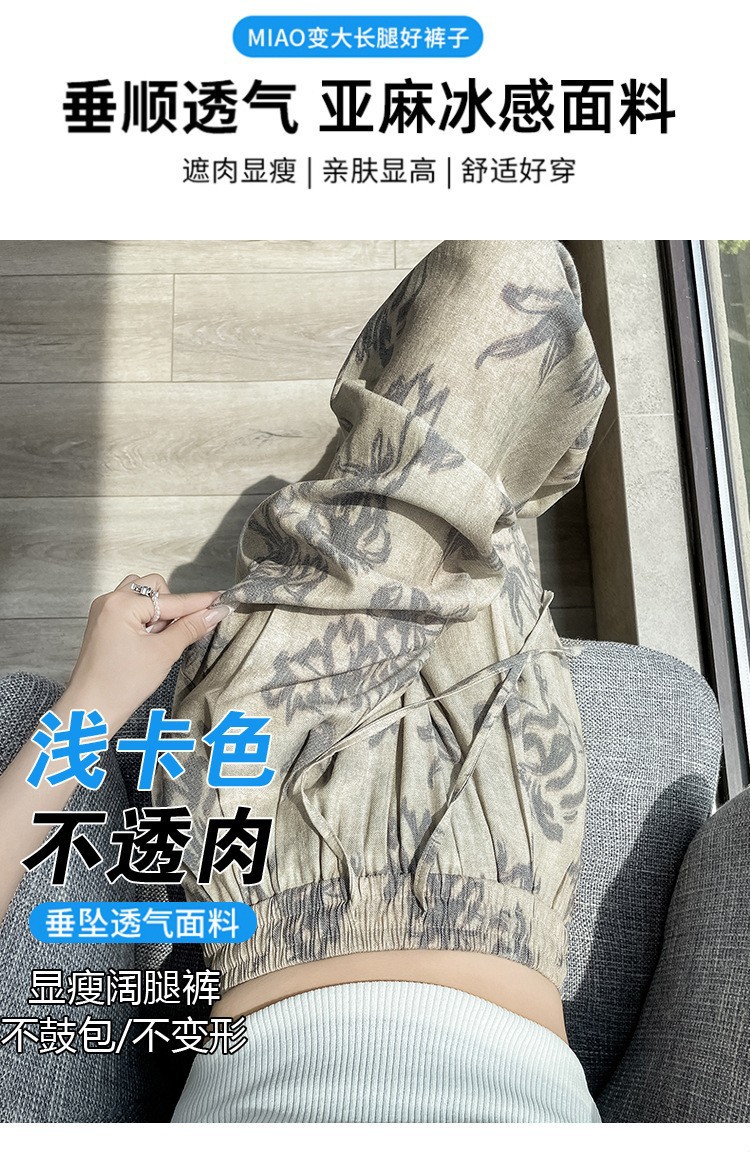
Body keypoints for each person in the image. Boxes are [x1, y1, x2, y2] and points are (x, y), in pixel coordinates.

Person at [0, 241, 608, 1123]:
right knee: (509, 297)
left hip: (261, 849)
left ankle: (380, 511)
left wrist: (92, 703)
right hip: (495, 860)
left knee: (495, 284)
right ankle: (402, 508)